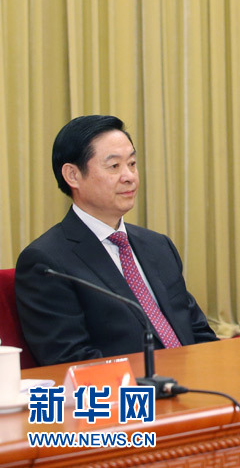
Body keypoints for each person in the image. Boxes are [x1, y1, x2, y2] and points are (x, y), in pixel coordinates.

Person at [16, 115, 217, 366]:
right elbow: (71, 359)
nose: (129, 176)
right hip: (131, 388)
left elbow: (198, 332)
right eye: (114, 166)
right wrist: (157, 383)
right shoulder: (46, 262)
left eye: (132, 163)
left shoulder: (158, 246)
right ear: (73, 175)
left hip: (194, 382)